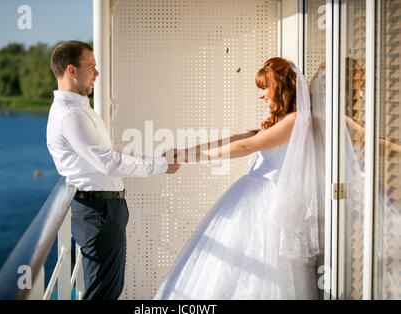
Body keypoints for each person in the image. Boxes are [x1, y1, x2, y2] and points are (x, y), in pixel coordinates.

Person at [155, 57, 321, 299]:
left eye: (265, 87)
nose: (261, 95)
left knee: (259, 270)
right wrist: (184, 153)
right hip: (254, 198)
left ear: (281, 87)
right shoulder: (278, 121)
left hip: (269, 204)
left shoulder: (295, 121)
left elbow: (246, 147)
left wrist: (191, 158)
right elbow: (235, 139)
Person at [46, 40, 180, 300]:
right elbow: (109, 162)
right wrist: (160, 165)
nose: (97, 73)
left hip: (105, 210)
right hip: (99, 213)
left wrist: (156, 159)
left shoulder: (81, 110)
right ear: (72, 71)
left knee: (109, 290)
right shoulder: (71, 115)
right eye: (91, 67)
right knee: (103, 294)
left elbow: (112, 154)